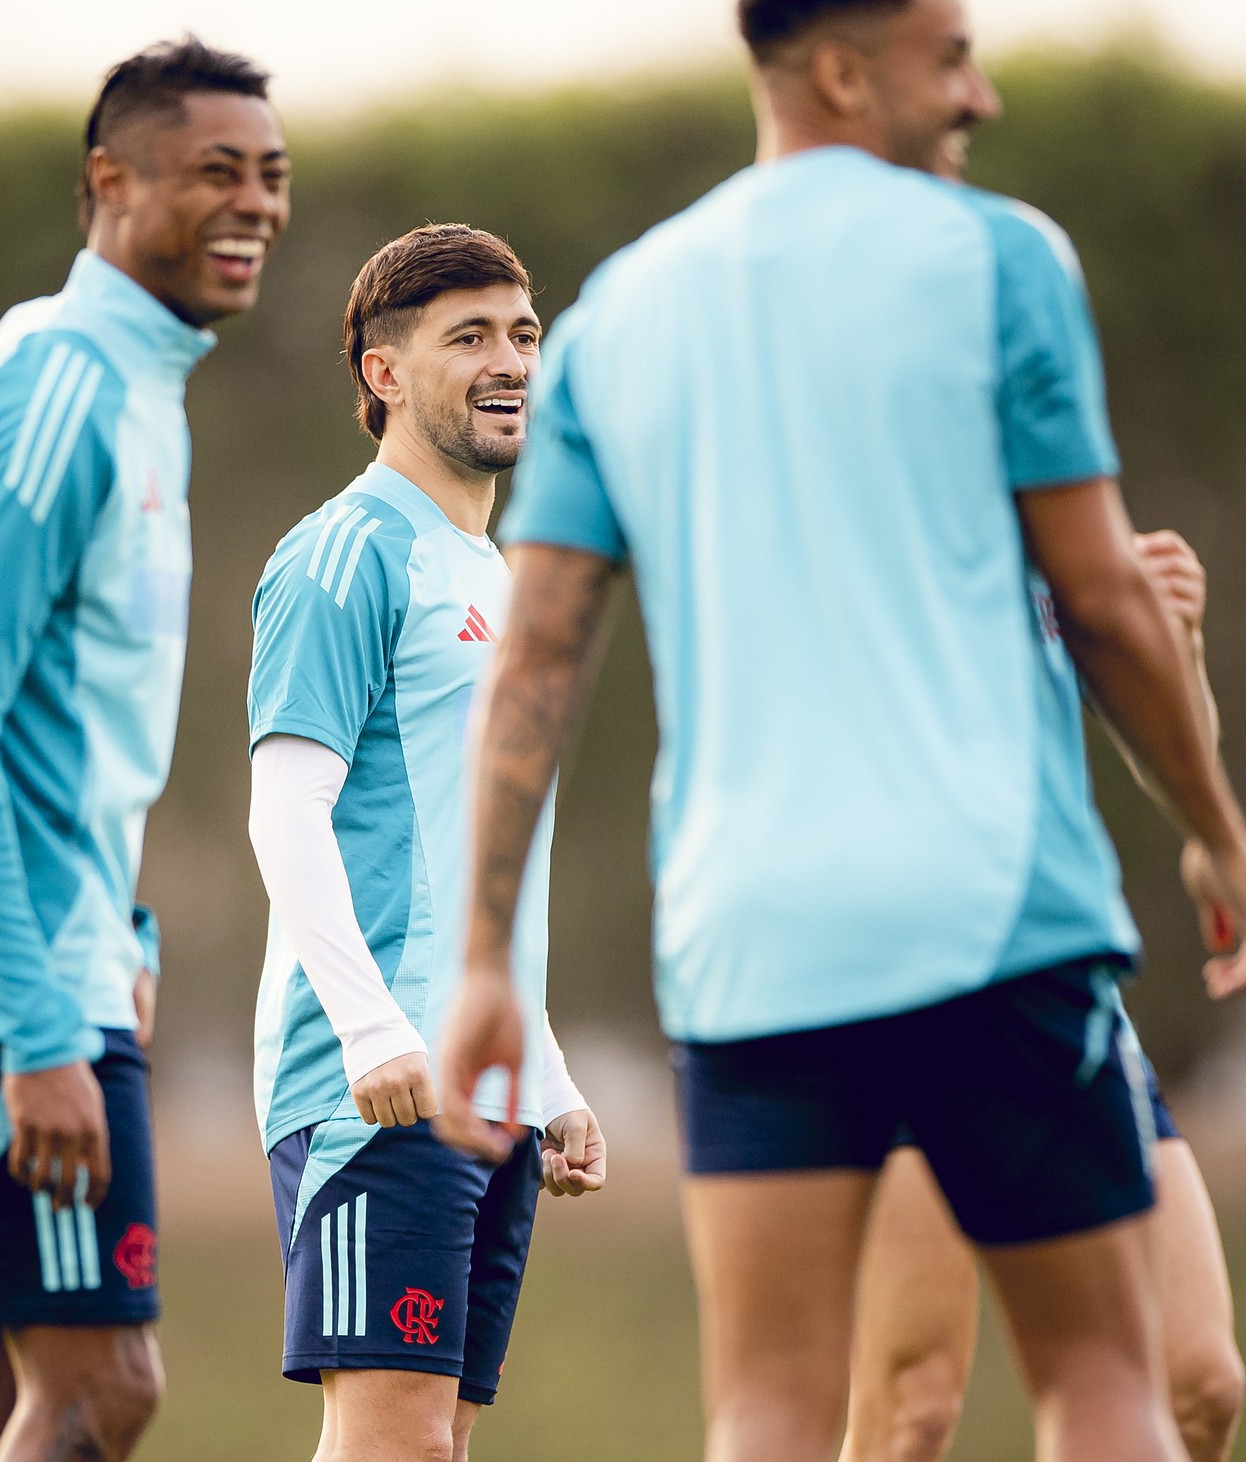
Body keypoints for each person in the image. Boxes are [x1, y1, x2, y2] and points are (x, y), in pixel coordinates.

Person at [431, 2, 1246, 1460]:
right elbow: (1109, 603)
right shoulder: (1000, 259)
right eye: (950, 60)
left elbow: (536, 662)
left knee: (764, 1414)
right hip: (991, 918)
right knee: (1104, 1385)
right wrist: (1214, 828)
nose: (978, 96)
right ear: (842, 70)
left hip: (753, 944)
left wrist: (486, 961)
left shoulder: (618, 310)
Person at [0, 37, 289, 1462]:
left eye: (271, 176)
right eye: (215, 170)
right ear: (110, 181)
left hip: (44, 952)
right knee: (100, 1387)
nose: (255, 205)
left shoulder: (136, 390)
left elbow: (62, 732)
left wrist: (122, 928)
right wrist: (39, 1025)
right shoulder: (56, 389)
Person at [840, 120, 1243, 1462]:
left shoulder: (1048, 522)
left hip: (1057, 975)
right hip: (887, 981)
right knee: (907, 1407)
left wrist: (1165, 644)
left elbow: (1146, 726)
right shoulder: (830, 519)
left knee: (1198, 1383)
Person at [246, 224, 606, 1462]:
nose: (509, 361)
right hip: (378, 1088)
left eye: (522, 335)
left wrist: (546, 1073)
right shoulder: (347, 551)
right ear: (384, 372)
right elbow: (283, 808)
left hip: (489, 1086)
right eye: (470, 337)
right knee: (390, 1444)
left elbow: (474, 865)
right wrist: (370, 1030)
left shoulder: (496, 574)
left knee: (434, 1446)